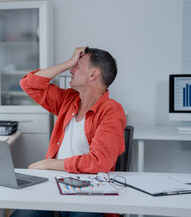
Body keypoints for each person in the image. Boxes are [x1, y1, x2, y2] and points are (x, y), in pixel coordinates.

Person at [11, 46, 126, 217]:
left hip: (91, 194)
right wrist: (67, 63)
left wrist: (50, 164)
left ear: (93, 75)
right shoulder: (69, 100)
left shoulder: (111, 111)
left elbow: (99, 162)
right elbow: (28, 84)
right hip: (53, 188)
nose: (71, 70)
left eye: (77, 66)